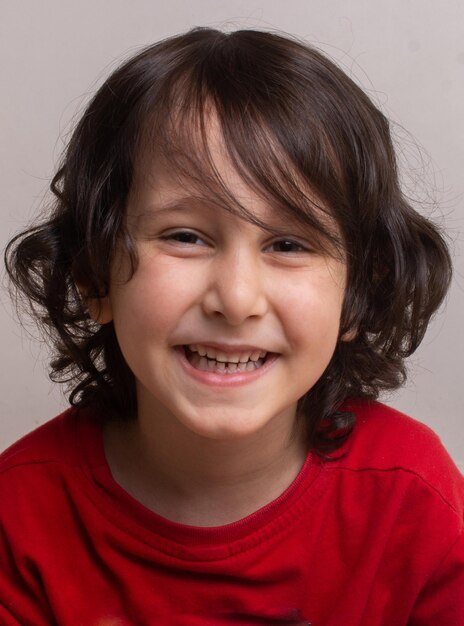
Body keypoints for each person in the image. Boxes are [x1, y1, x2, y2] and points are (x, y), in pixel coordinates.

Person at [1, 27, 463, 626]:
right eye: (185, 236)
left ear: (356, 296)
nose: (237, 299)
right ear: (94, 276)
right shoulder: (19, 517)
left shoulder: (413, 497)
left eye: (289, 243)